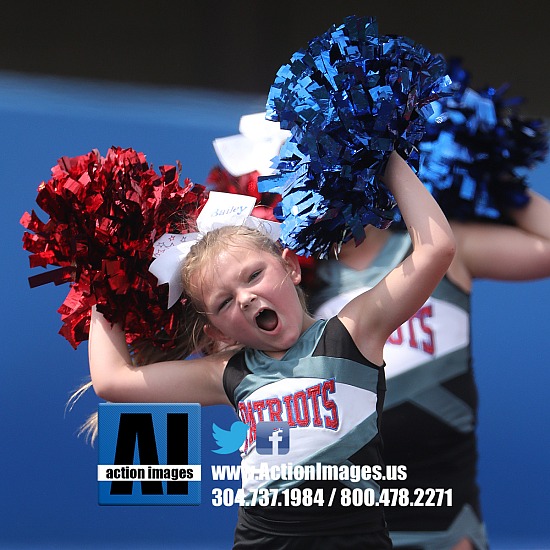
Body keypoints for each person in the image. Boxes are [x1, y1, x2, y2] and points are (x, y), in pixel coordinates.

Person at [88, 150, 456, 549]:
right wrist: (105, 273)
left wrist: (385, 157)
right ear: (217, 330)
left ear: (291, 267)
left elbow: (435, 251)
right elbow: (113, 381)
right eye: (224, 302)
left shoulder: (353, 331)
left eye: (254, 275)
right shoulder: (228, 371)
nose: (245, 298)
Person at [309, 74, 550, 549]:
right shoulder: (297, 277)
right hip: (341, 518)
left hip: (446, 513)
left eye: (351, 152)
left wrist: (489, 169)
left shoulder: (440, 246)